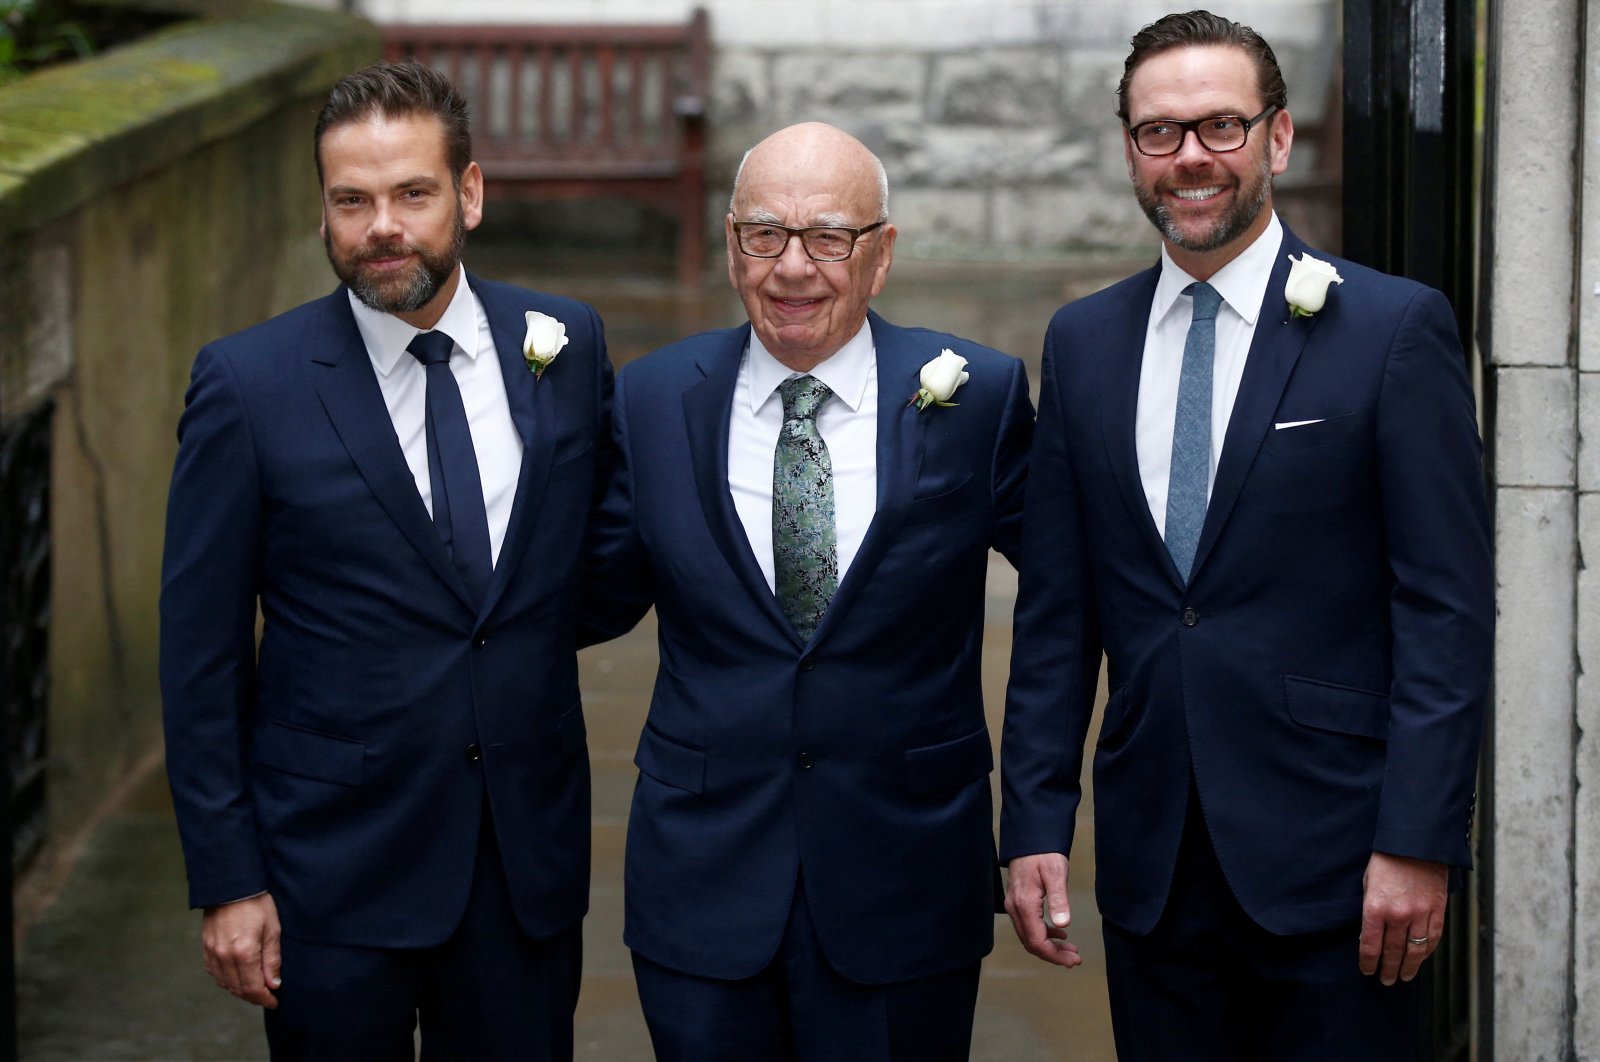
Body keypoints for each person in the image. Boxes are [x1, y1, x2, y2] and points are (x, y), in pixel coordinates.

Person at [1000, 11, 1493, 1061]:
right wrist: (1035, 819)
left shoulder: (1392, 330)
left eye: (1219, 126)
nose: (1189, 157)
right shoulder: (1082, 343)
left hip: (1340, 865)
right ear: (1129, 148)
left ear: (1276, 139)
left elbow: (1445, 609)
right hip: (1152, 865)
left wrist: (1416, 840)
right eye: (1158, 131)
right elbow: (1056, 612)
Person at [159, 60, 611, 1060]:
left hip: (520, 866)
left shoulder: (565, 345)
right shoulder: (248, 384)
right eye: (351, 201)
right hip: (329, 872)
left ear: (470, 193)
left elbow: (590, 566)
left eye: (412, 193)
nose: (382, 227)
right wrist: (229, 878)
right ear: (323, 211)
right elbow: (200, 657)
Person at [582, 122, 1032, 1061]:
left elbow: (1074, 604)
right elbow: (589, 595)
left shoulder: (978, 397)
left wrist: (1039, 821)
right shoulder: (653, 399)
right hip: (703, 884)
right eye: (763, 235)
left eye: (829, 237)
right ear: (731, 241)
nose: (793, 268)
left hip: (905, 881)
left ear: (882, 255)